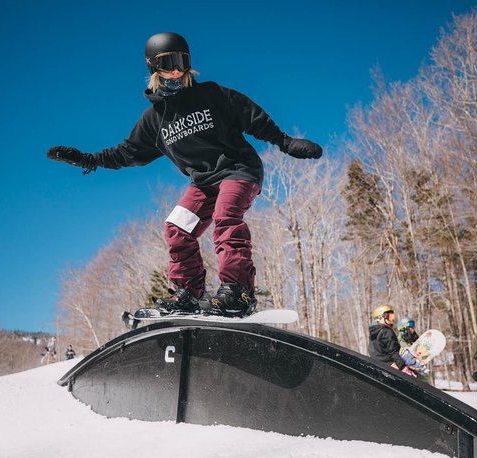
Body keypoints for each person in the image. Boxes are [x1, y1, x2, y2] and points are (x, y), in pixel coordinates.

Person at [47, 32, 322, 317]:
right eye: (169, 63)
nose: (177, 71)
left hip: (238, 170)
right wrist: (86, 159)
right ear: (154, 69)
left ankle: (238, 290)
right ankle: (189, 292)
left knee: (225, 217)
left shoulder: (212, 95)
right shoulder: (154, 121)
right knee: (176, 228)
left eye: (182, 62)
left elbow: (253, 118)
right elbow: (126, 153)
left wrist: (286, 142)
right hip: (204, 183)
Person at [368, 305, 408, 371]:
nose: (392, 320)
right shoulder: (387, 332)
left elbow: (375, 353)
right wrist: (403, 367)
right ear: (380, 318)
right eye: (389, 317)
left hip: (378, 367)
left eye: (393, 316)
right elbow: (393, 353)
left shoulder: (374, 333)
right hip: (391, 366)